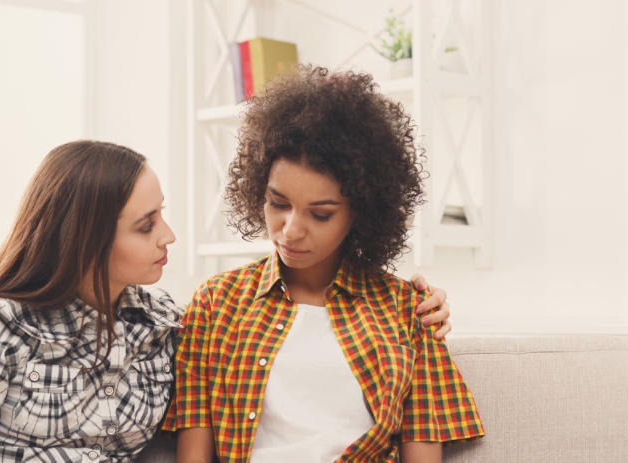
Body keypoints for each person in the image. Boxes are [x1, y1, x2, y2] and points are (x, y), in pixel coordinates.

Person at [0, 140, 453, 463]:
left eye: (161, 215)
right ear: (86, 238)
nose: (169, 236)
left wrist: (423, 304)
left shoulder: (165, 322)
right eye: (147, 226)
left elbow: (240, 346)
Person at [162, 65, 485, 463]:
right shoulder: (216, 304)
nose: (291, 231)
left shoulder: (409, 311)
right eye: (278, 204)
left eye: (321, 214)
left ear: (361, 213)